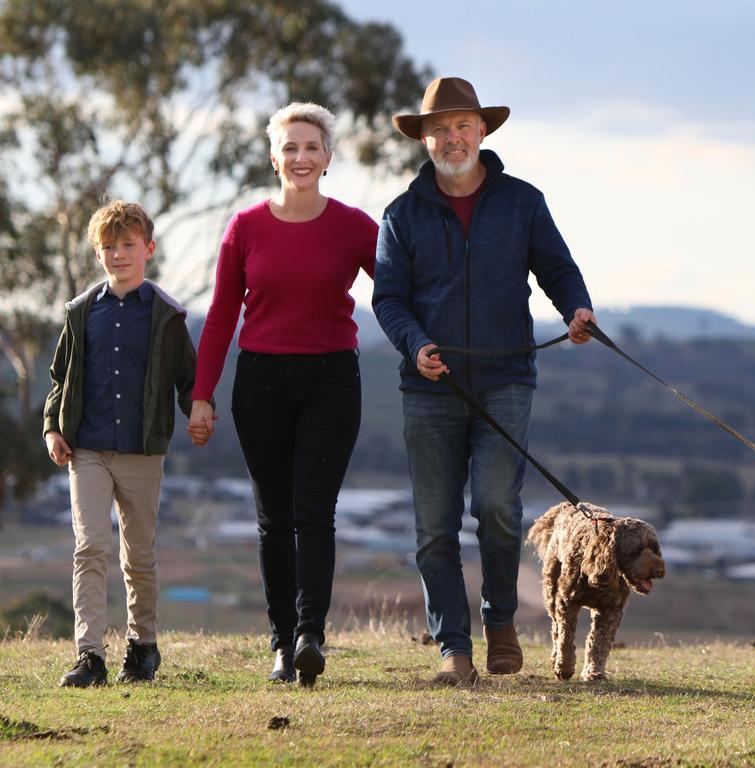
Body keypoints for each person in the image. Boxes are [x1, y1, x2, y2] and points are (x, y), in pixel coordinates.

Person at [373, 76, 597, 685]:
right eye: (439, 129)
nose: (452, 138)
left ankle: (500, 620)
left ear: (483, 131)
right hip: (428, 388)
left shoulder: (523, 202)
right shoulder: (399, 216)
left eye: (462, 126)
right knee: (434, 524)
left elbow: (557, 267)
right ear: (423, 139)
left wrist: (576, 309)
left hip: (506, 379)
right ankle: (453, 649)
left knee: (497, 507)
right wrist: (415, 345)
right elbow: (388, 299)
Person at [188, 102, 377, 687]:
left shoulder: (355, 226)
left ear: (328, 157)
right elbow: (220, 317)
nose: (300, 157)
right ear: (274, 157)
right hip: (261, 382)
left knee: (314, 511)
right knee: (274, 518)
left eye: (311, 147)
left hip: (331, 381)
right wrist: (202, 395)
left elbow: (399, 297)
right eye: (289, 147)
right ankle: (279, 642)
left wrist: (427, 343)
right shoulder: (245, 227)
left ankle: (308, 636)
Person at [43, 200, 201, 687]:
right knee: (89, 548)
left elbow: (188, 381)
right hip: (85, 450)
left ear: (148, 249)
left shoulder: (168, 316)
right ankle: (89, 656)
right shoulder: (80, 312)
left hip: (142, 451)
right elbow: (59, 377)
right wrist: (53, 426)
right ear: (98, 254)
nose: (118, 254)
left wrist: (199, 410)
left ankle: (143, 646)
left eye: (128, 245)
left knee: (138, 555)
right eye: (108, 247)